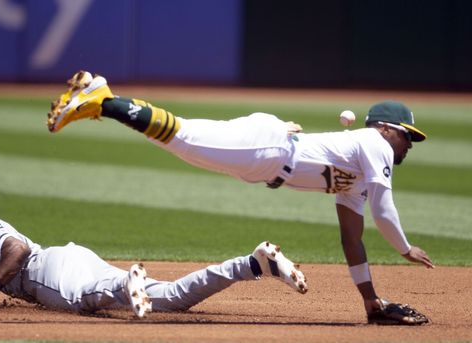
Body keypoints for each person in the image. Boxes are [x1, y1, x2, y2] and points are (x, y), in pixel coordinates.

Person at [46, 71, 433, 325]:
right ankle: (104, 100)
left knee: (183, 142)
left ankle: (104, 99)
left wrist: (372, 304)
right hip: (267, 149)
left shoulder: (358, 179)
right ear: (385, 129)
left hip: (264, 158)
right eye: (407, 135)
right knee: (182, 138)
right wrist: (404, 248)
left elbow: (352, 239)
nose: (409, 144)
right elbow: (385, 210)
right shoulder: (374, 144)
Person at [0, 178, 307, 318]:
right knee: (168, 297)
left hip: (47, 275)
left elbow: (17, 248)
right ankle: (252, 266)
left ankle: (122, 288)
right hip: (66, 259)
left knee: (96, 298)